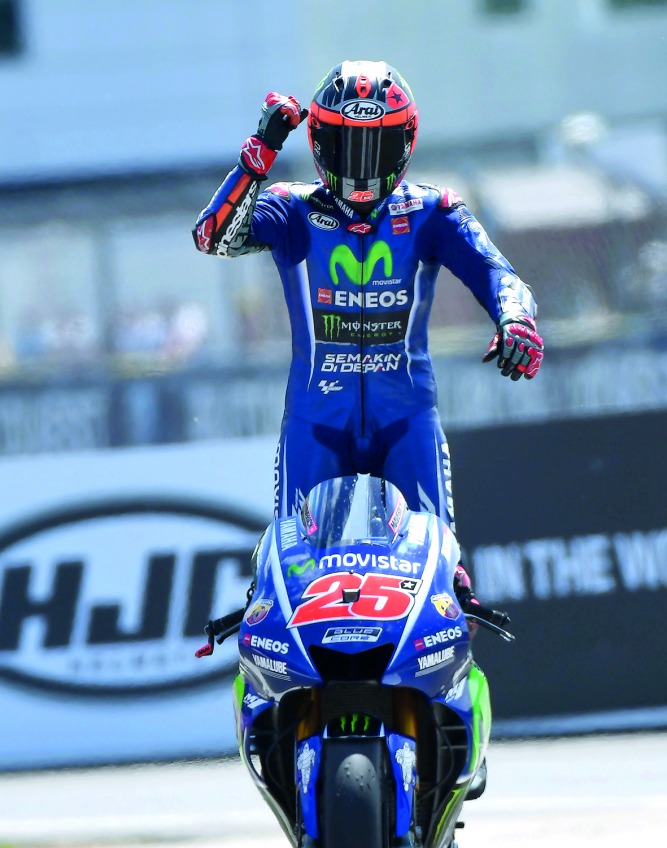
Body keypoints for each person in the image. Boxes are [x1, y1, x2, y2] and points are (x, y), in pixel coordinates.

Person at [192, 59, 543, 613]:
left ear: (405, 143)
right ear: (316, 143)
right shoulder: (290, 207)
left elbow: (502, 276)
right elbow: (213, 237)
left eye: (374, 148)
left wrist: (516, 320)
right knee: (283, 588)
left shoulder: (434, 211)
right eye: (345, 146)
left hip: (406, 420)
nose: (360, 167)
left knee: (447, 589)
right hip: (316, 422)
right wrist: (258, 153)